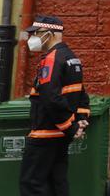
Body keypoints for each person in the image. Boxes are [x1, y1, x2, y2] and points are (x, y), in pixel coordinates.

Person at [20, 15, 90, 196]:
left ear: (49, 34)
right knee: (56, 183)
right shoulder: (72, 59)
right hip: (60, 137)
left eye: (36, 33)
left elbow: (50, 97)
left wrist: (71, 126)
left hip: (45, 135)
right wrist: (79, 121)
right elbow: (81, 95)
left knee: (32, 184)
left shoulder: (51, 59)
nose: (32, 38)